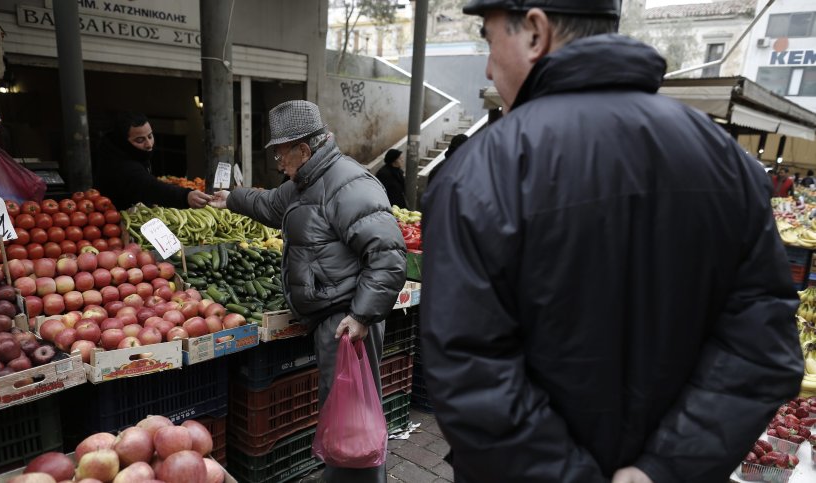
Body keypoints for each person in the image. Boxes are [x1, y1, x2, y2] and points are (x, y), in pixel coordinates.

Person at [420, 2, 804, 483]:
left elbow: (467, 370)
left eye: (489, 39)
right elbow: (761, 348)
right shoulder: (728, 161)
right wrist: (661, 469)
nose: (488, 64)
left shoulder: (478, 174)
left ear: (536, 32)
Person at [210, 100, 406, 483]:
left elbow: (388, 256)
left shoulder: (348, 184)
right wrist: (230, 199)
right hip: (329, 317)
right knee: (342, 410)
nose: (278, 162)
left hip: (346, 318)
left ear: (304, 149)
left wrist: (362, 315)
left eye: (281, 153)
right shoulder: (303, 184)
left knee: (351, 414)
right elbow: (268, 204)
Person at [94, 112, 211, 209]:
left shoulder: (133, 153)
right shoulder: (118, 165)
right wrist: (186, 196)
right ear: (123, 142)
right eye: (140, 140)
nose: (149, 144)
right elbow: (149, 186)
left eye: (150, 136)